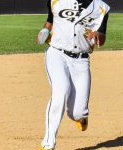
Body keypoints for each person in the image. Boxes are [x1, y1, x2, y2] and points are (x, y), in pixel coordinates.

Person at [37, 0, 110, 149]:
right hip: (57, 53)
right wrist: (45, 30)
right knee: (61, 91)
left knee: (77, 113)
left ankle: (81, 118)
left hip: (81, 61)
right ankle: (48, 143)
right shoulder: (56, 0)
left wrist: (98, 35)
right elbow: (50, 19)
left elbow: (101, 38)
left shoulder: (101, 8)